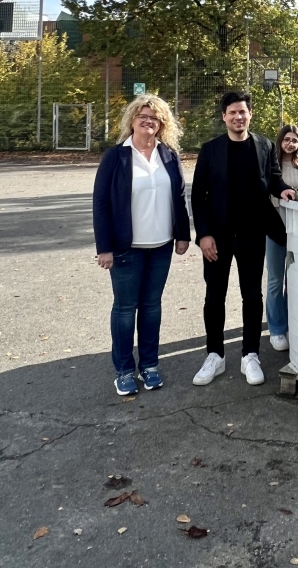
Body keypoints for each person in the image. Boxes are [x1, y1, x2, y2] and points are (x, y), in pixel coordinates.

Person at [192, 91, 295, 389]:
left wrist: (284, 189)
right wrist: (204, 235)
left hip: (253, 234)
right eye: (232, 112)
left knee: (252, 296)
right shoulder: (210, 150)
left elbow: (273, 178)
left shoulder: (264, 145)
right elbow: (199, 196)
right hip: (218, 237)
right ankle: (215, 354)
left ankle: (250, 354)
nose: (238, 117)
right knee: (215, 297)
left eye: (243, 112)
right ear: (224, 116)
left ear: (250, 115)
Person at [93, 95, 190, 396]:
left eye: (155, 118)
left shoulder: (169, 156)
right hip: (125, 248)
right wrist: (104, 247)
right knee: (125, 309)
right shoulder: (116, 156)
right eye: (143, 116)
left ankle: (149, 366)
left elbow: (180, 197)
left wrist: (183, 234)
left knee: (151, 308)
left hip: (161, 245)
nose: (148, 121)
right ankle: (123, 370)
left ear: (162, 125)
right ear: (132, 120)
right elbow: (101, 204)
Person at [265, 125, 298, 352]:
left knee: (295, 280)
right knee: (276, 281)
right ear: (280, 141)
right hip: (275, 228)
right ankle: (276, 329)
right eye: (286, 139)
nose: (290, 144)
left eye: (294, 141)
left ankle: (293, 326)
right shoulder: (270, 166)